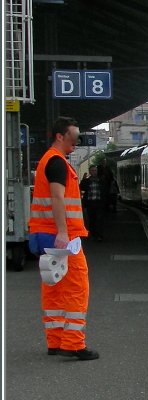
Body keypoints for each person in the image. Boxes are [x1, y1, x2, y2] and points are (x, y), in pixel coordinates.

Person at [27, 116, 98, 361]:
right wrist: (63, 232)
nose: (76, 143)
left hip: (43, 232)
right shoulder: (57, 163)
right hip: (62, 236)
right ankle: (73, 344)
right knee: (77, 287)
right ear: (60, 136)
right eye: (73, 137)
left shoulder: (47, 160)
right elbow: (57, 198)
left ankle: (55, 340)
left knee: (53, 286)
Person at [79, 165, 106, 242]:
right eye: (92, 170)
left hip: (99, 203)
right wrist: (83, 180)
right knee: (91, 219)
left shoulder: (101, 180)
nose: (94, 172)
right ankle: (93, 234)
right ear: (90, 172)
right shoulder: (86, 181)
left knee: (99, 219)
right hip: (90, 203)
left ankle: (99, 235)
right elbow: (80, 187)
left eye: (95, 170)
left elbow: (105, 191)